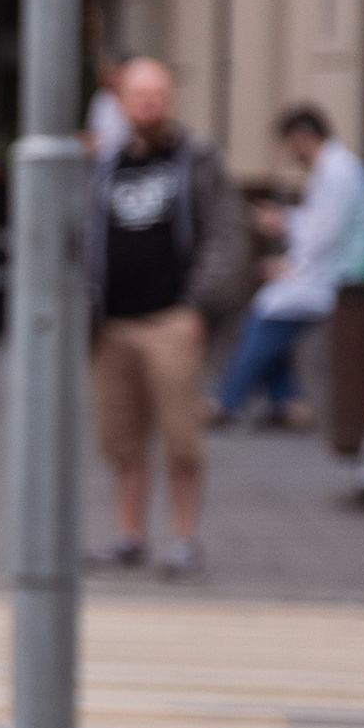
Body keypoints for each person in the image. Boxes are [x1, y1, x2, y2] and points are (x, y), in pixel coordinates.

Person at [85, 52, 249, 577]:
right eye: (139, 95)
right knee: (121, 438)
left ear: (171, 98)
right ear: (121, 101)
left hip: (171, 319)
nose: (149, 105)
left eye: (158, 94)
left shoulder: (194, 161)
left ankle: (184, 537)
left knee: (181, 436)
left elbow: (226, 236)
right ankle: (129, 533)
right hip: (113, 325)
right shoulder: (106, 166)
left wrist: (199, 307)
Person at [214, 101, 364, 427]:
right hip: (325, 271)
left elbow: (325, 234)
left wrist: (288, 259)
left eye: (291, 144)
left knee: (265, 317)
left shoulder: (337, 171)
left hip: (338, 277)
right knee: (270, 314)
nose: (291, 154)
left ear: (302, 137)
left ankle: (227, 402)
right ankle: (286, 404)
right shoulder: (332, 168)